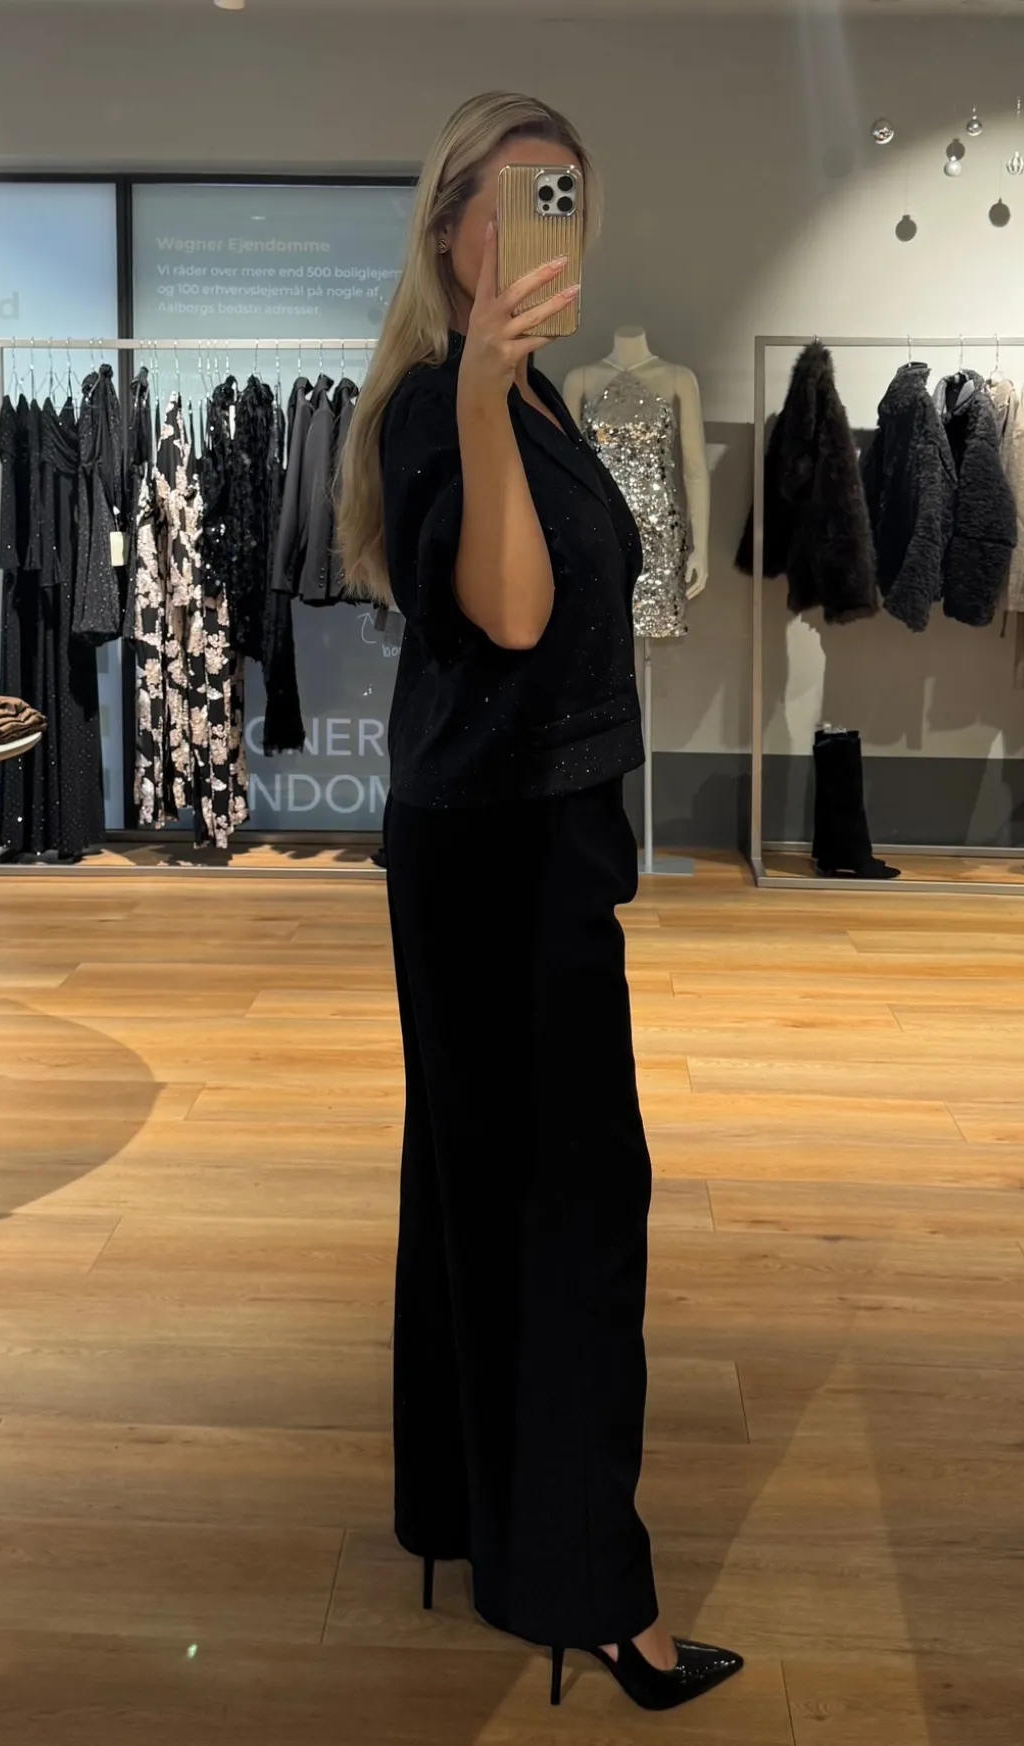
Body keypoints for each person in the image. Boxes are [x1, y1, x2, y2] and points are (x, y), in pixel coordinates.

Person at [337, 91, 743, 1713]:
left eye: (564, 198)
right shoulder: (441, 407)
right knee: (577, 1208)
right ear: (452, 231)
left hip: (519, 839)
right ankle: (594, 1595)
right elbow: (507, 615)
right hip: (497, 859)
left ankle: (470, 1517)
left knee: (484, 1184)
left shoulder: (533, 396)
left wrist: (507, 392)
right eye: (515, 199)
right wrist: (486, 393)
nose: (541, 232)